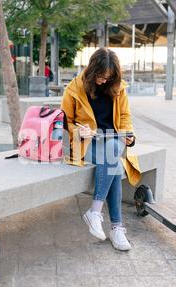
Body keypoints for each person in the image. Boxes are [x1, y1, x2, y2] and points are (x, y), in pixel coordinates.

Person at [61, 47, 142, 251]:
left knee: (113, 149)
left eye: (108, 78)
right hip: (85, 144)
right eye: (100, 76)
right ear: (92, 70)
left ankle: (96, 212)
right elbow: (63, 121)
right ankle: (116, 226)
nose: (103, 81)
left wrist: (128, 135)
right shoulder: (74, 88)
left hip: (112, 143)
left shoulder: (118, 88)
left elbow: (125, 117)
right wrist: (79, 131)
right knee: (114, 159)